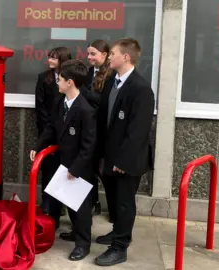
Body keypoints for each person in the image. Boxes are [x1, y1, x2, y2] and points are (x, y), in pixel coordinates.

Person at [94, 38, 155, 266]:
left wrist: (123, 161)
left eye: (113, 54)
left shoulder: (140, 88)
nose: (109, 57)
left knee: (124, 202)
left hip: (127, 159)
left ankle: (120, 247)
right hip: (109, 156)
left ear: (126, 57)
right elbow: (104, 117)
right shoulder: (112, 82)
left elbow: (138, 131)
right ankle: (116, 231)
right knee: (113, 199)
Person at [30, 59, 96, 261]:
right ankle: (76, 232)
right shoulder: (60, 101)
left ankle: (83, 244)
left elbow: (89, 144)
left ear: (70, 82)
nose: (56, 82)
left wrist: (76, 168)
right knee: (69, 202)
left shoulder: (85, 109)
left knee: (81, 207)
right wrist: (38, 145)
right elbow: (51, 126)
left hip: (80, 166)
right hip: (63, 160)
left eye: (60, 79)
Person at [59, 39, 116, 242]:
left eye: (93, 54)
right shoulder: (89, 74)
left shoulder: (110, 75)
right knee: (78, 190)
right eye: (88, 54)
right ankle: (79, 228)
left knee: (89, 187)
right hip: (80, 135)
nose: (90, 57)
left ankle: (86, 231)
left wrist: (82, 93)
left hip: (95, 134)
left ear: (105, 55)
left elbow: (102, 102)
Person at [34, 46, 71, 226]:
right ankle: (48, 207)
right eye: (49, 57)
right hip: (48, 131)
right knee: (48, 172)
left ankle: (60, 206)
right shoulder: (43, 78)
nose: (50, 61)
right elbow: (39, 106)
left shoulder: (70, 80)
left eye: (54, 58)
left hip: (65, 134)